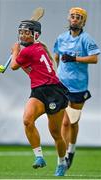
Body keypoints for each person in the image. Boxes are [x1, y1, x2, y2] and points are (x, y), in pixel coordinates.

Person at [10, 20, 69, 176]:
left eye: (26, 32)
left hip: (54, 92)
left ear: (35, 35)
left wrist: (15, 51)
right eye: (21, 32)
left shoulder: (29, 51)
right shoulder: (37, 47)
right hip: (38, 91)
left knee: (56, 134)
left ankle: (62, 162)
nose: (23, 35)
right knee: (27, 120)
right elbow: (31, 72)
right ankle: (39, 157)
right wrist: (18, 55)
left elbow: (14, 66)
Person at [53, 7, 100, 169]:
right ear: (68, 19)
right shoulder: (61, 38)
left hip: (78, 87)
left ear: (83, 21)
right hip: (61, 86)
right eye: (73, 16)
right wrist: (56, 73)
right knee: (64, 123)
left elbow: (94, 59)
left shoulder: (86, 39)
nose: (75, 19)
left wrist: (75, 58)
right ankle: (64, 156)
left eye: (79, 17)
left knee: (73, 122)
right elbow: (57, 56)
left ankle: (71, 149)